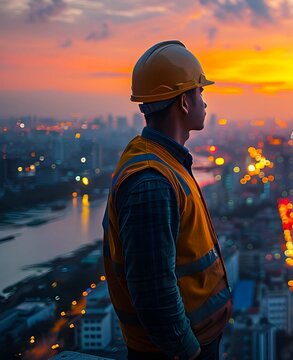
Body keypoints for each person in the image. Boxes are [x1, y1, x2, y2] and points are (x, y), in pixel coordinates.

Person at [102, 40, 232, 360]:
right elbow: (153, 290)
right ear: (184, 103)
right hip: (173, 352)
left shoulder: (165, 162)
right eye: (200, 92)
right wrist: (188, 352)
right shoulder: (152, 182)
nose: (205, 102)